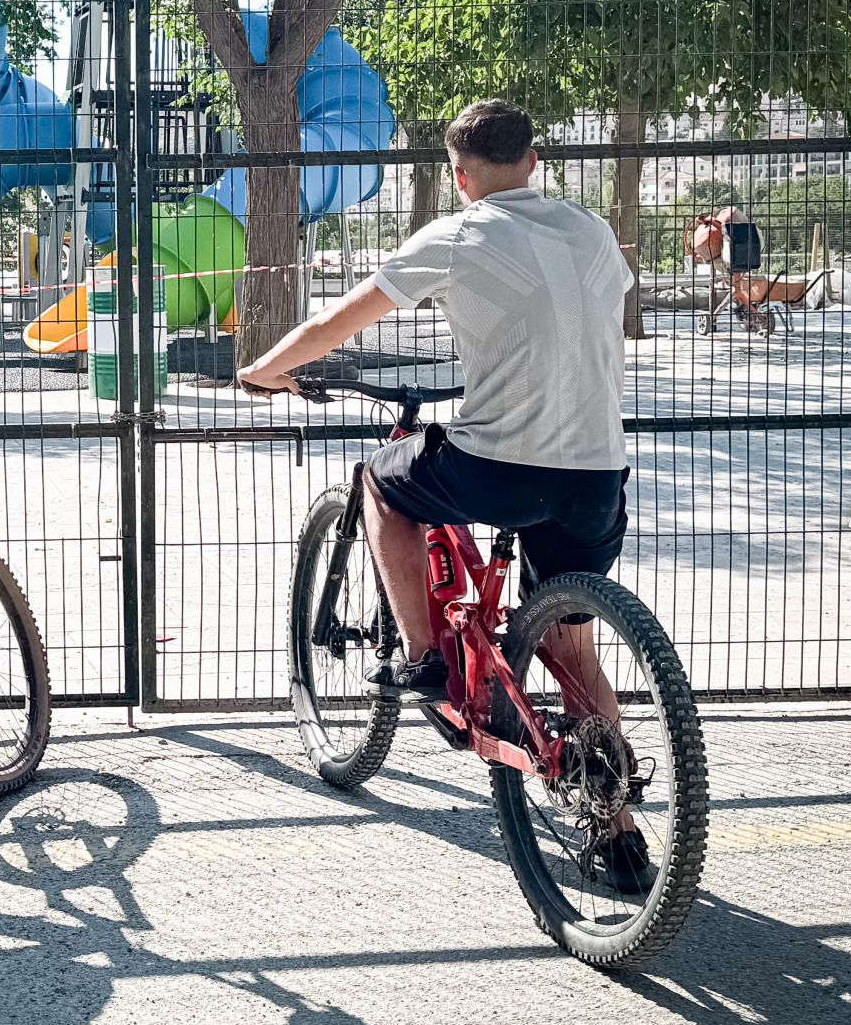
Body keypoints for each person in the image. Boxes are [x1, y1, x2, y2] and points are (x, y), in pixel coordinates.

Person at [238, 99, 654, 892]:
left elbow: (339, 318)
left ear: (458, 177)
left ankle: (427, 658)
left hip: (500, 465)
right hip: (599, 472)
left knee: (381, 485)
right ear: (534, 161)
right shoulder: (593, 231)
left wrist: (264, 368)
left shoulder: (460, 234)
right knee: (571, 647)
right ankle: (621, 831)